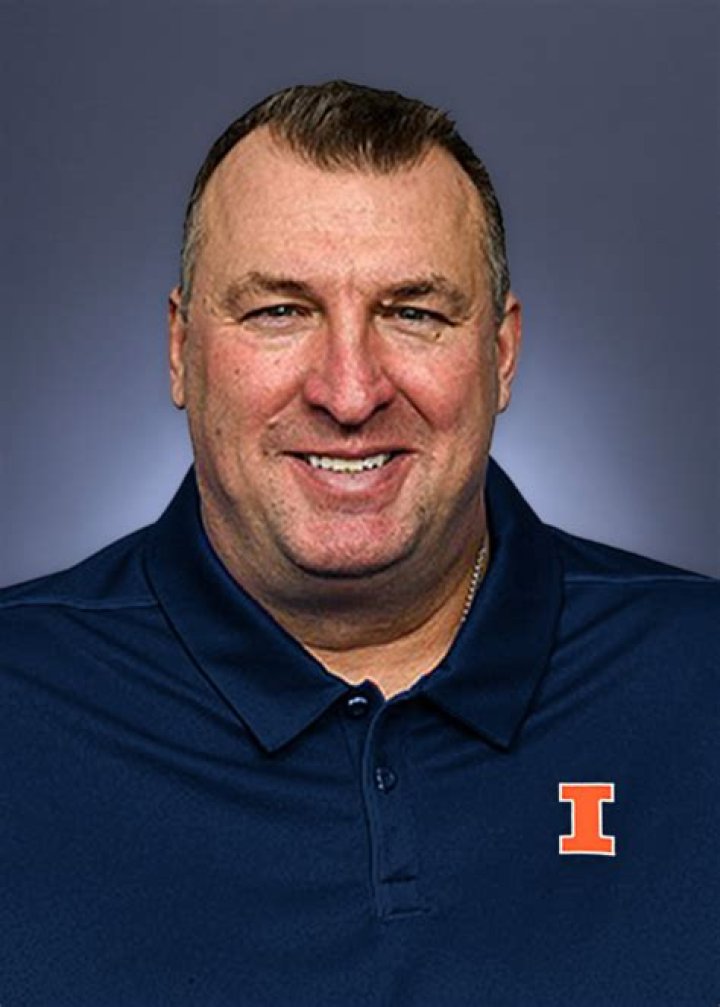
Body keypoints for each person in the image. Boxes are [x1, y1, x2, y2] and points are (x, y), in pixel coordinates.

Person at [1, 81, 717, 1007]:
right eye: (279, 311)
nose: (349, 392)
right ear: (180, 350)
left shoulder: (699, 677)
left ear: (501, 355)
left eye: (413, 312)